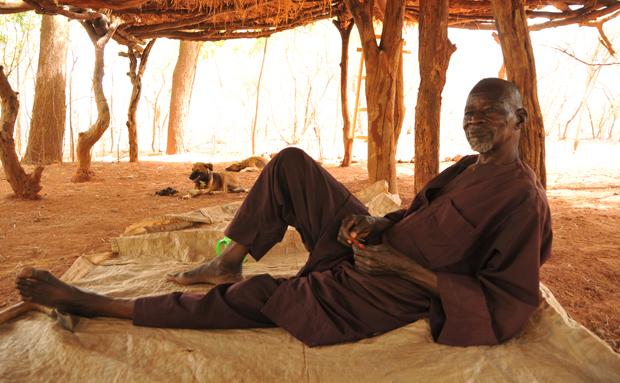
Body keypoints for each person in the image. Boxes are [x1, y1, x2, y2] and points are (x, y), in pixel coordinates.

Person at [16, 78, 552, 347]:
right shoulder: (469, 166)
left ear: (519, 118)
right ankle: (228, 256)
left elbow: (506, 301)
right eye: (469, 113)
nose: (475, 122)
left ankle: (96, 303)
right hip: (374, 249)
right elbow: (417, 214)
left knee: (261, 297)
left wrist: (400, 267)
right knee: (291, 164)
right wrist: (374, 225)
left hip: (390, 286)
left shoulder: (522, 200)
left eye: (490, 113)